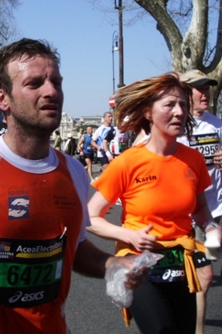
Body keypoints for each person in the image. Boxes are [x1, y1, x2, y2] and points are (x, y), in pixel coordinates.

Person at [0, 38, 146, 334]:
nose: (51, 91)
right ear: (2, 99)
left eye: (55, 81)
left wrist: (112, 264)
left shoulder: (73, 172)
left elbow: (75, 247)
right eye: (34, 84)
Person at [87, 72, 222, 333]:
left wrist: (211, 227)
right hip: (139, 265)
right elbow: (91, 218)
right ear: (149, 113)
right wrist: (130, 236)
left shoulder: (192, 160)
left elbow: (200, 208)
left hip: (179, 262)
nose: (179, 111)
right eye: (170, 104)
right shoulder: (128, 162)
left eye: (183, 104)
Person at [178, 69, 222, 334]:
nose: (205, 92)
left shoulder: (217, 124)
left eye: (207, 87)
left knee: (200, 276)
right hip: (189, 213)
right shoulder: (175, 125)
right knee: (203, 277)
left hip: (216, 208)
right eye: (198, 88)